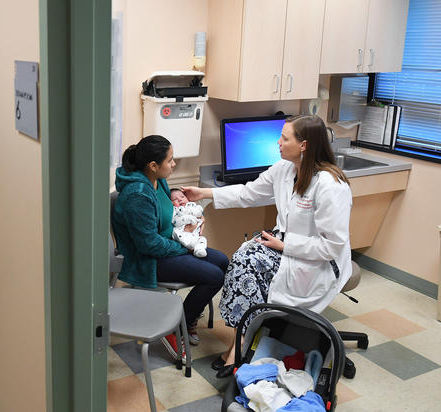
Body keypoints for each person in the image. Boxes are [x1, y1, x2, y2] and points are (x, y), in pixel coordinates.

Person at [181, 115, 352, 378]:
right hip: (286, 246)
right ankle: (241, 340)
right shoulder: (284, 169)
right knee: (242, 257)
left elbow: (332, 246)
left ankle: (240, 345)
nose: (279, 143)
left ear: (304, 145)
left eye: (285, 138)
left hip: (317, 261)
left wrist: (285, 245)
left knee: (249, 262)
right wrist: (203, 193)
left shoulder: (330, 186)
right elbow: (248, 193)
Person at [112, 135, 229, 358]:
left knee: (222, 261)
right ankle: (176, 328)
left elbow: (170, 210)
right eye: (170, 160)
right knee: (214, 277)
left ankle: (188, 317)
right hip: (147, 259)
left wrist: (193, 219)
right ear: (153, 166)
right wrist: (186, 247)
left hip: (169, 244)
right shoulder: (138, 194)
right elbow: (149, 245)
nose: (174, 164)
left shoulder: (158, 180)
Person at [170, 188, 208, 258]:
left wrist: (191, 212)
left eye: (182, 197)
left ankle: (199, 250)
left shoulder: (193, 206)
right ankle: (192, 247)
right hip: (182, 233)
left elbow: (200, 213)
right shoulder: (175, 211)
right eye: (174, 199)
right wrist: (188, 219)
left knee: (202, 239)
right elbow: (176, 222)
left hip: (195, 234)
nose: (180, 199)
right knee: (185, 239)